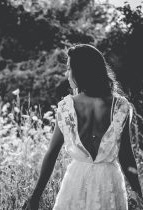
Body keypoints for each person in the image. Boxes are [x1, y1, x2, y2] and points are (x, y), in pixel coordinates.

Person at [23, 44, 143, 210]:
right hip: (109, 184)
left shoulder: (66, 107)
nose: (67, 74)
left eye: (69, 68)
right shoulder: (121, 107)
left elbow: (52, 154)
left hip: (76, 182)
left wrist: (36, 196)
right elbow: (126, 156)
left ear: (81, 71)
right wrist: (139, 194)